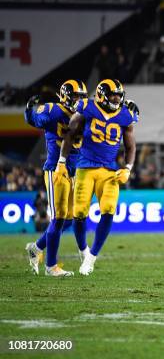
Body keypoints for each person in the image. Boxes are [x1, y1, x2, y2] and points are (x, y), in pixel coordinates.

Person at [57, 79, 139, 275]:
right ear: (102, 94)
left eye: (119, 95)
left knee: (109, 209)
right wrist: (61, 161)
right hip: (85, 167)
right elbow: (70, 133)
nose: (117, 99)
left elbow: (130, 146)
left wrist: (128, 167)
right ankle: (83, 249)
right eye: (113, 95)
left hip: (109, 171)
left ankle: (91, 258)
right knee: (78, 213)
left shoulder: (125, 115)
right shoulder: (87, 108)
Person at [24, 80, 87, 276]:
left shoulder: (85, 114)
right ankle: (51, 266)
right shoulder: (53, 110)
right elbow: (34, 120)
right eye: (76, 96)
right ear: (66, 96)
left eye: (82, 97)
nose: (79, 101)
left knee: (70, 219)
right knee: (59, 218)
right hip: (56, 169)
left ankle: (36, 248)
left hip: (74, 169)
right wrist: (29, 109)